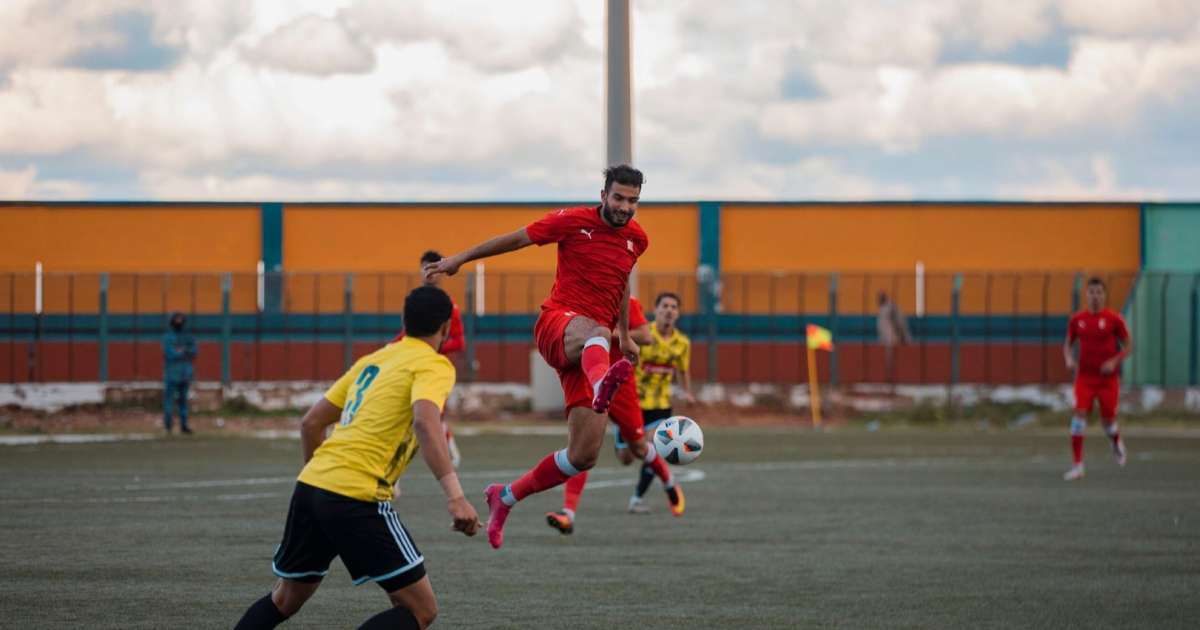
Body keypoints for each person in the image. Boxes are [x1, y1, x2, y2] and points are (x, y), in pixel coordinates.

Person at [423, 164, 653, 549]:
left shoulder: (637, 240)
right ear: (603, 195)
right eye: (618, 198)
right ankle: (601, 382)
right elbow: (515, 240)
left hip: (590, 352)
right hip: (558, 325)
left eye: (633, 201)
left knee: (583, 456)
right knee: (596, 333)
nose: (625, 207)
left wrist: (626, 336)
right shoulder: (572, 221)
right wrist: (459, 259)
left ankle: (506, 496)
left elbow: (620, 284)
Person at [233, 286, 480, 630]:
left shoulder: (373, 360)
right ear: (446, 328)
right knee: (420, 610)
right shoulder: (434, 365)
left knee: (285, 599)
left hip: (311, 485)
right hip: (356, 496)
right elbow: (425, 421)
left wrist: (322, 482)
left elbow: (311, 423)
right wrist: (456, 497)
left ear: (404, 322)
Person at [544, 296, 679, 534]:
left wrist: (604, 334)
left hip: (622, 385)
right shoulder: (579, 301)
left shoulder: (627, 301)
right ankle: (568, 514)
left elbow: (645, 336)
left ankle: (668, 482)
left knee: (636, 448)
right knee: (581, 449)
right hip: (589, 381)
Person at [394, 250, 465, 467]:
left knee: (429, 415)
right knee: (406, 414)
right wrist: (390, 349)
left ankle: (447, 453)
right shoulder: (414, 300)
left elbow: (459, 342)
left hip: (432, 369)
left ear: (443, 272)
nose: (431, 274)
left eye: (435, 269)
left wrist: (434, 349)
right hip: (410, 366)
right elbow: (406, 335)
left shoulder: (448, 306)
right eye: (426, 268)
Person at [627, 291, 693, 514]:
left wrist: (687, 393)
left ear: (678, 313)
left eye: (674, 307)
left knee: (653, 446)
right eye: (664, 306)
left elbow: (683, 370)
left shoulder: (682, 342)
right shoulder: (644, 335)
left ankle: (636, 498)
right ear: (655, 310)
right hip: (634, 402)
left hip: (661, 405)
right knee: (627, 456)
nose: (669, 310)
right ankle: (645, 490)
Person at [1062, 277, 1133, 481]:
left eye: (1099, 292)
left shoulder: (1114, 319)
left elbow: (1128, 345)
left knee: (1108, 420)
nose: (1095, 296)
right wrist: (1068, 358)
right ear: (1087, 295)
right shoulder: (1078, 319)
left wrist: (1115, 361)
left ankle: (1116, 442)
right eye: (1091, 292)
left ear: (1104, 295)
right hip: (1085, 377)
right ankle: (1077, 465)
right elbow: (1068, 343)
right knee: (1079, 416)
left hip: (1108, 380)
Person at [161, 312, 196, 435]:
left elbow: (194, 352)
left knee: (183, 401)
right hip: (172, 373)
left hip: (185, 373)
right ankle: (168, 425)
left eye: (181, 320)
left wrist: (181, 351)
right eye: (177, 320)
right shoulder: (168, 337)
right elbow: (170, 354)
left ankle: (184, 425)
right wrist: (183, 352)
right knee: (169, 401)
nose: (179, 322)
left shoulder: (188, 336)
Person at [876, 291, 911, 383]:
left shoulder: (891, 308)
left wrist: (903, 336)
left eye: (880, 298)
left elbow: (900, 322)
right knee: (886, 359)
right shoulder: (883, 309)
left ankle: (892, 378)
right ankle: (888, 377)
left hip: (892, 338)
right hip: (885, 339)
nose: (878, 300)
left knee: (893, 359)